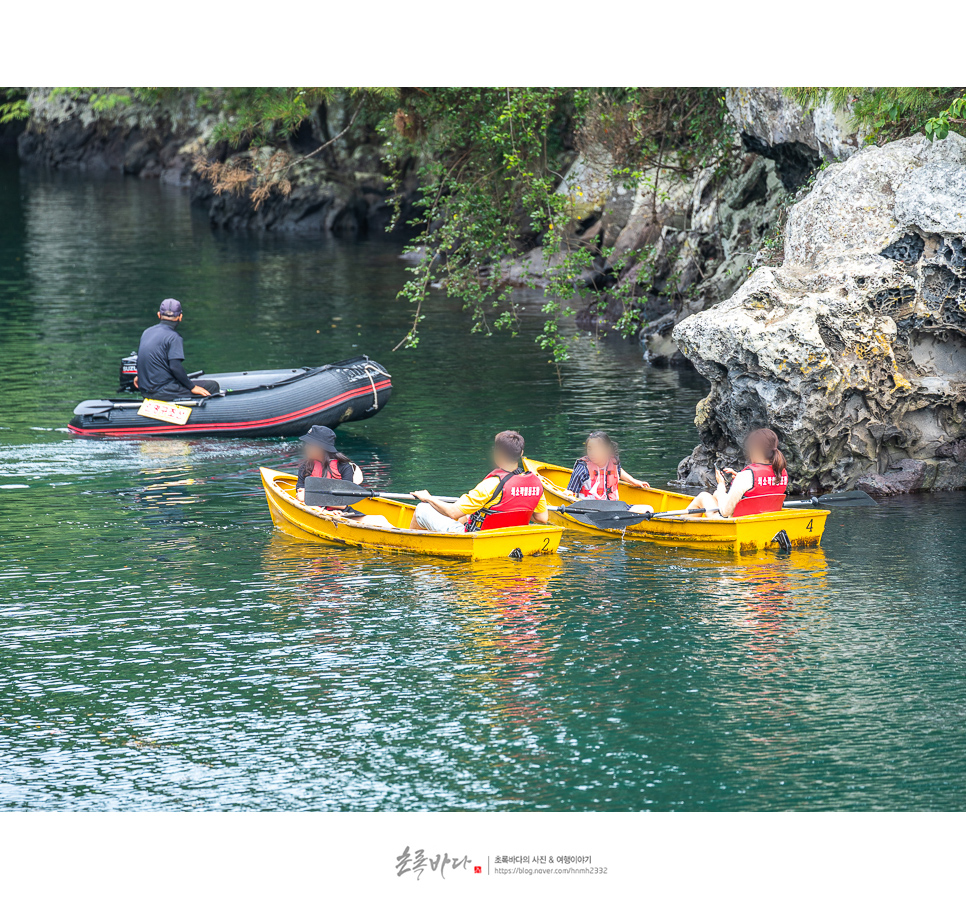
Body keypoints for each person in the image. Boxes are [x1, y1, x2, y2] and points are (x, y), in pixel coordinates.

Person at [410, 430, 549, 533]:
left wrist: (428, 498)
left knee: (422, 509)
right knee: (467, 513)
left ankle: (413, 546)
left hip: (479, 539)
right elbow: (542, 518)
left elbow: (453, 512)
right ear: (521, 453)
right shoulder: (536, 484)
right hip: (510, 537)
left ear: (497, 453)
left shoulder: (492, 485)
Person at [686, 427, 788, 519]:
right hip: (763, 520)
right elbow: (763, 489)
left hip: (738, 524)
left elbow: (725, 512)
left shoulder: (747, 476)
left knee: (703, 496)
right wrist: (739, 478)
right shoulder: (782, 472)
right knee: (716, 494)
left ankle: (678, 529)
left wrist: (721, 485)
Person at [133, 298, 220, 399]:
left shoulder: (147, 332)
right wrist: (192, 387)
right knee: (213, 386)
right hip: (163, 392)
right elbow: (175, 367)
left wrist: (139, 375)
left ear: (159, 315)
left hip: (146, 390)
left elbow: (143, 357)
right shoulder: (174, 337)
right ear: (180, 317)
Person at [566, 431, 649, 500]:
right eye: (590, 449)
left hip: (612, 508)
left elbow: (618, 471)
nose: (593, 453)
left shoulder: (613, 463)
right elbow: (570, 491)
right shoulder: (582, 468)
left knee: (647, 509)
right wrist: (567, 494)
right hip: (589, 510)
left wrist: (634, 481)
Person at [295, 425, 363, 502]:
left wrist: (310, 497)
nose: (306, 447)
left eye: (310, 445)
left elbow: (344, 502)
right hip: (312, 508)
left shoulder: (344, 467)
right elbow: (300, 495)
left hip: (339, 511)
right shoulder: (305, 467)